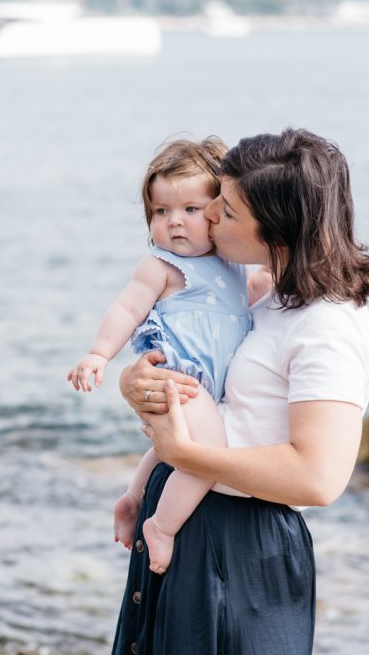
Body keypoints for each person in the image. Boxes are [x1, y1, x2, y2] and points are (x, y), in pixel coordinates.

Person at [111, 128, 369, 655]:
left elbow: (318, 478)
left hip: (242, 549)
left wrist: (187, 453)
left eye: (227, 212)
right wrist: (135, 381)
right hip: (188, 522)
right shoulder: (265, 296)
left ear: (278, 233)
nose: (208, 217)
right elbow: (213, 385)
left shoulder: (328, 327)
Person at [66, 137, 256, 574]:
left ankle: (133, 499)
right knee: (209, 454)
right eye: (160, 211)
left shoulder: (235, 262)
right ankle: (162, 528)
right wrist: (99, 355)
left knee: (172, 450)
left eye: (191, 210)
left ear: (219, 211)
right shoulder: (162, 266)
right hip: (181, 378)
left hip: (210, 388)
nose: (174, 223)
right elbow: (127, 309)